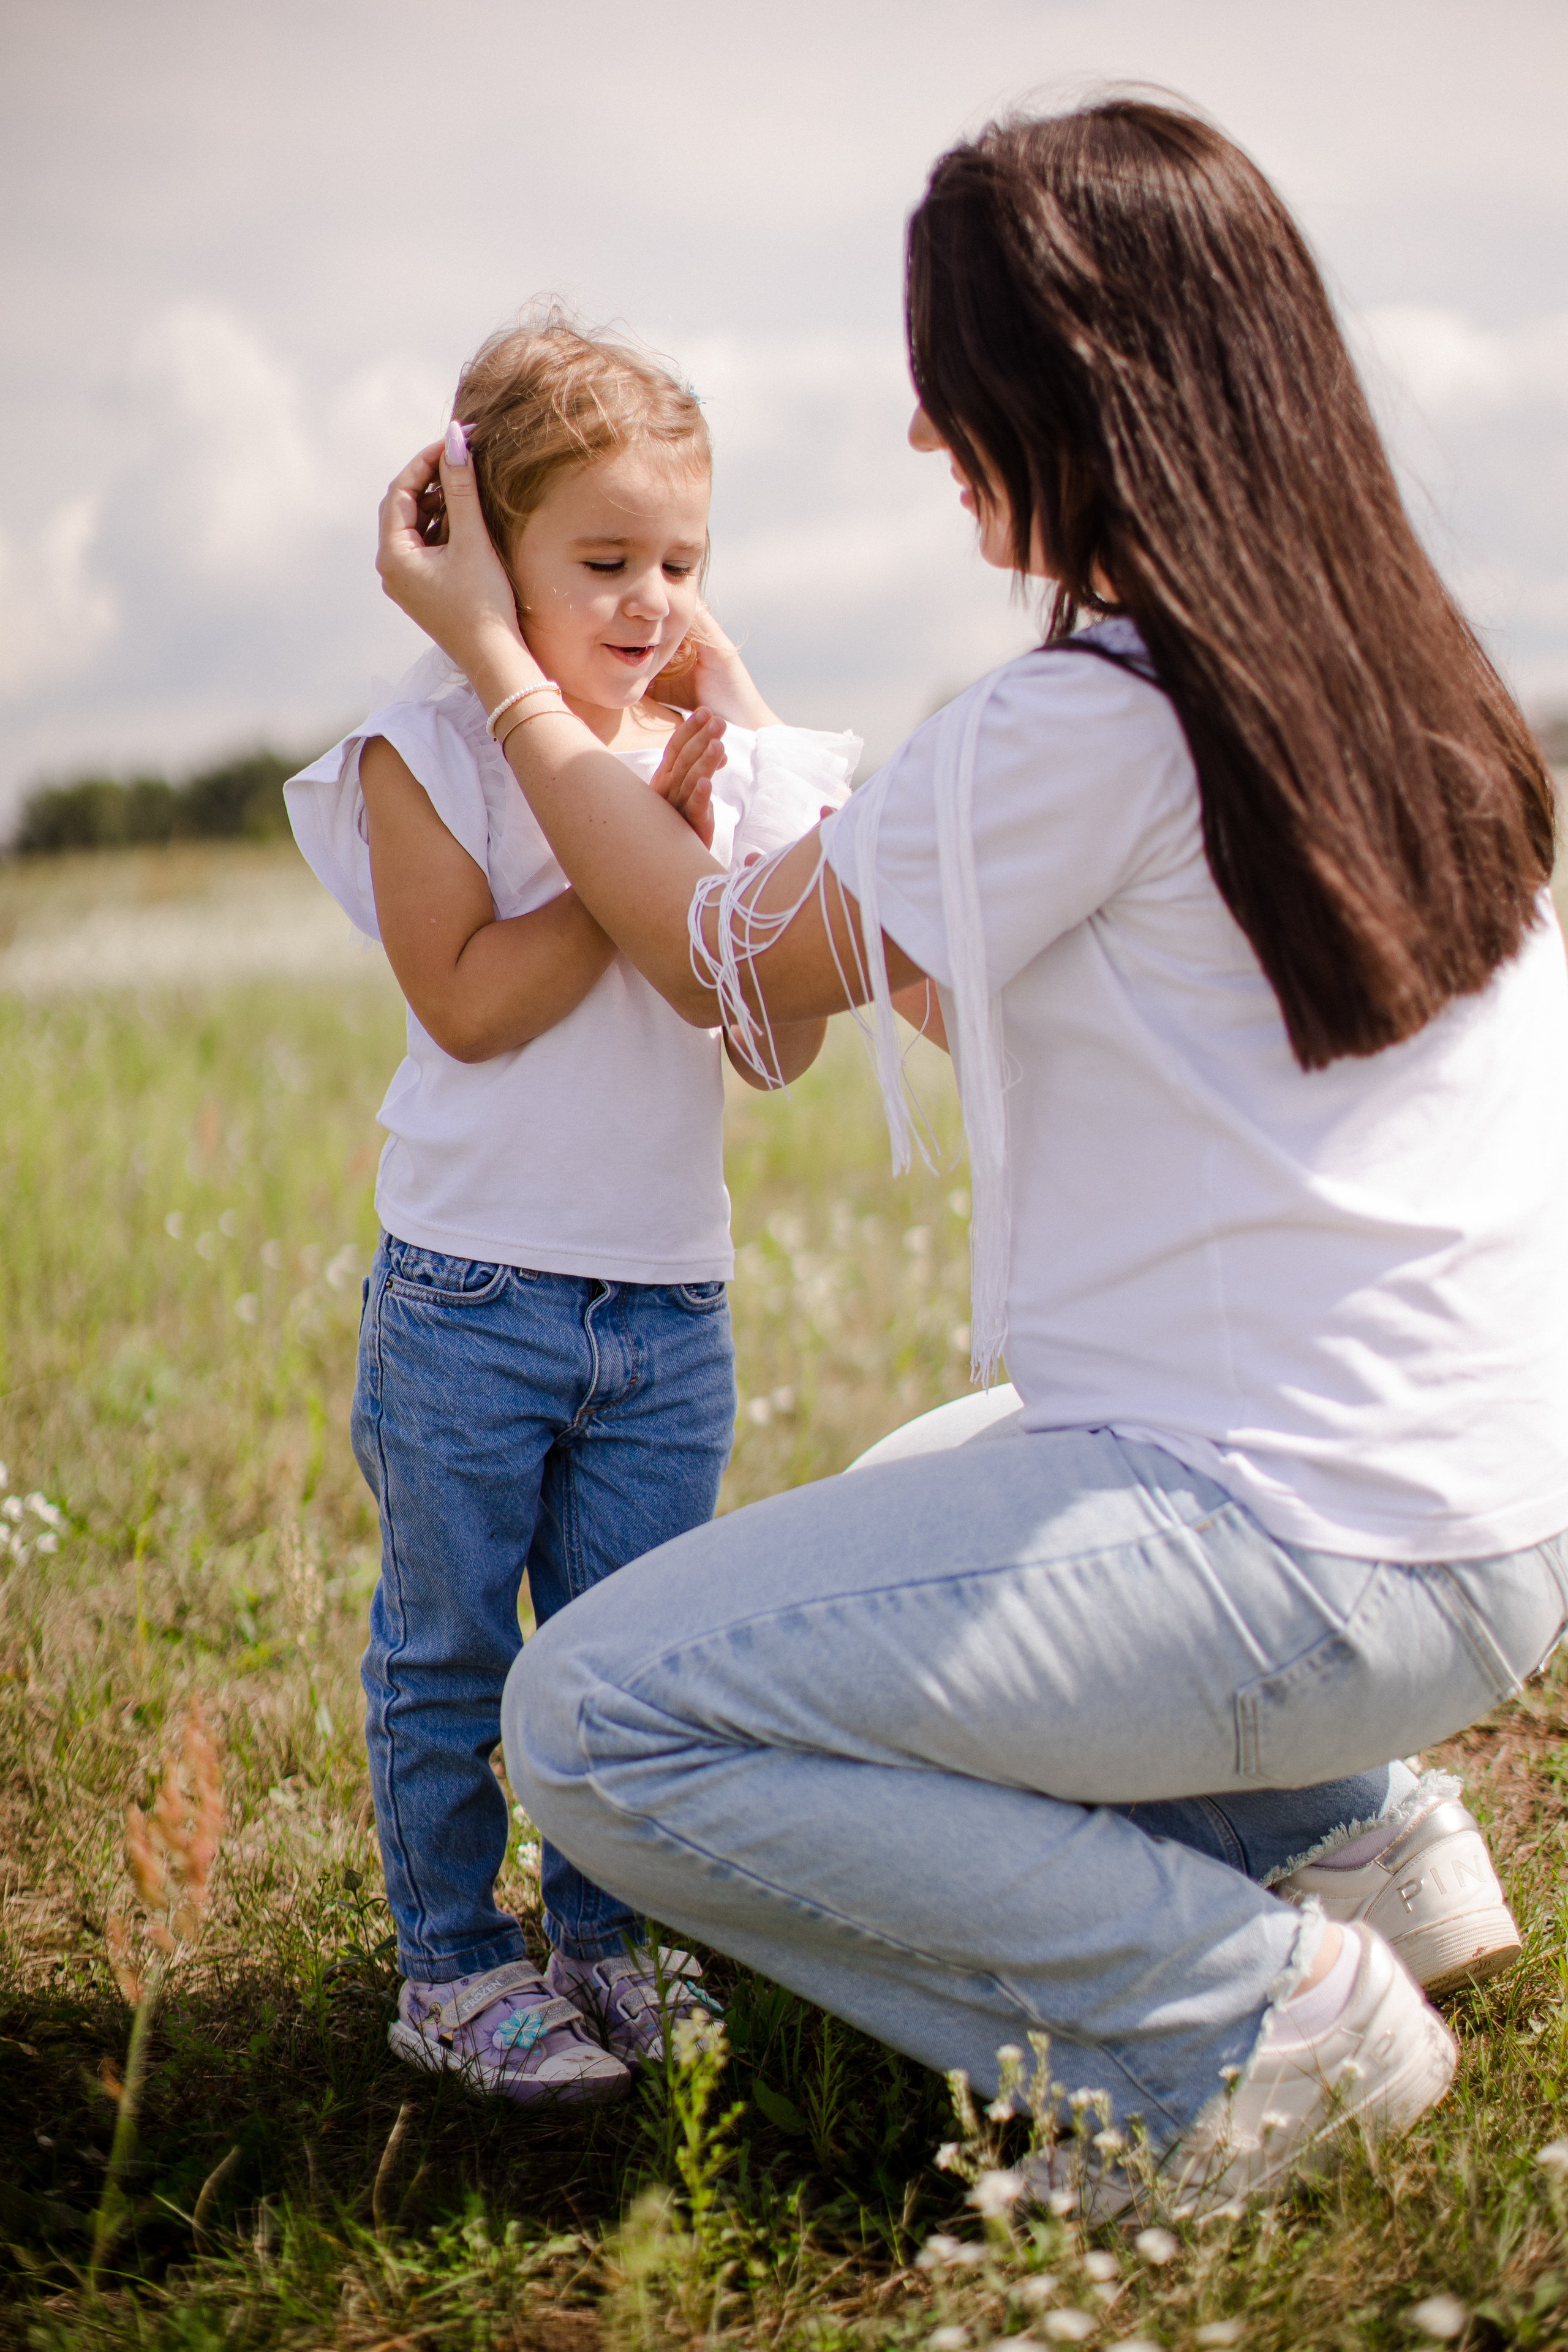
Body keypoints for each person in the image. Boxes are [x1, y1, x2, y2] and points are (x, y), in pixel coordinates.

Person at [372, 105, 1568, 2215]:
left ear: (1067, 382)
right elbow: (947, 980)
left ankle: (1236, 2018)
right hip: (1477, 1531)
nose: (927, 430)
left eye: (955, 373)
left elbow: (734, 977)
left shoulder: (1081, 717)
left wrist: (498, 663)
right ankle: (1348, 1836)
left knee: (590, 1716)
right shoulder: (1404, 684)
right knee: (907, 1489)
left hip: (1284, 1543)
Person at [285, 315, 859, 2108]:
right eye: (603, 561)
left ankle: (606, 1943)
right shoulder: (422, 751)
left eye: (680, 563)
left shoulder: (696, 739)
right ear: (481, 546)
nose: (647, 601)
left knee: (625, 1655)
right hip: (474, 1291)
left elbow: (774, 1039)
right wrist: (639, 862)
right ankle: (453, 1962)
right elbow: (463, 997)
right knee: (451, 1641)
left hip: (665, 1303)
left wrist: (707, 810)